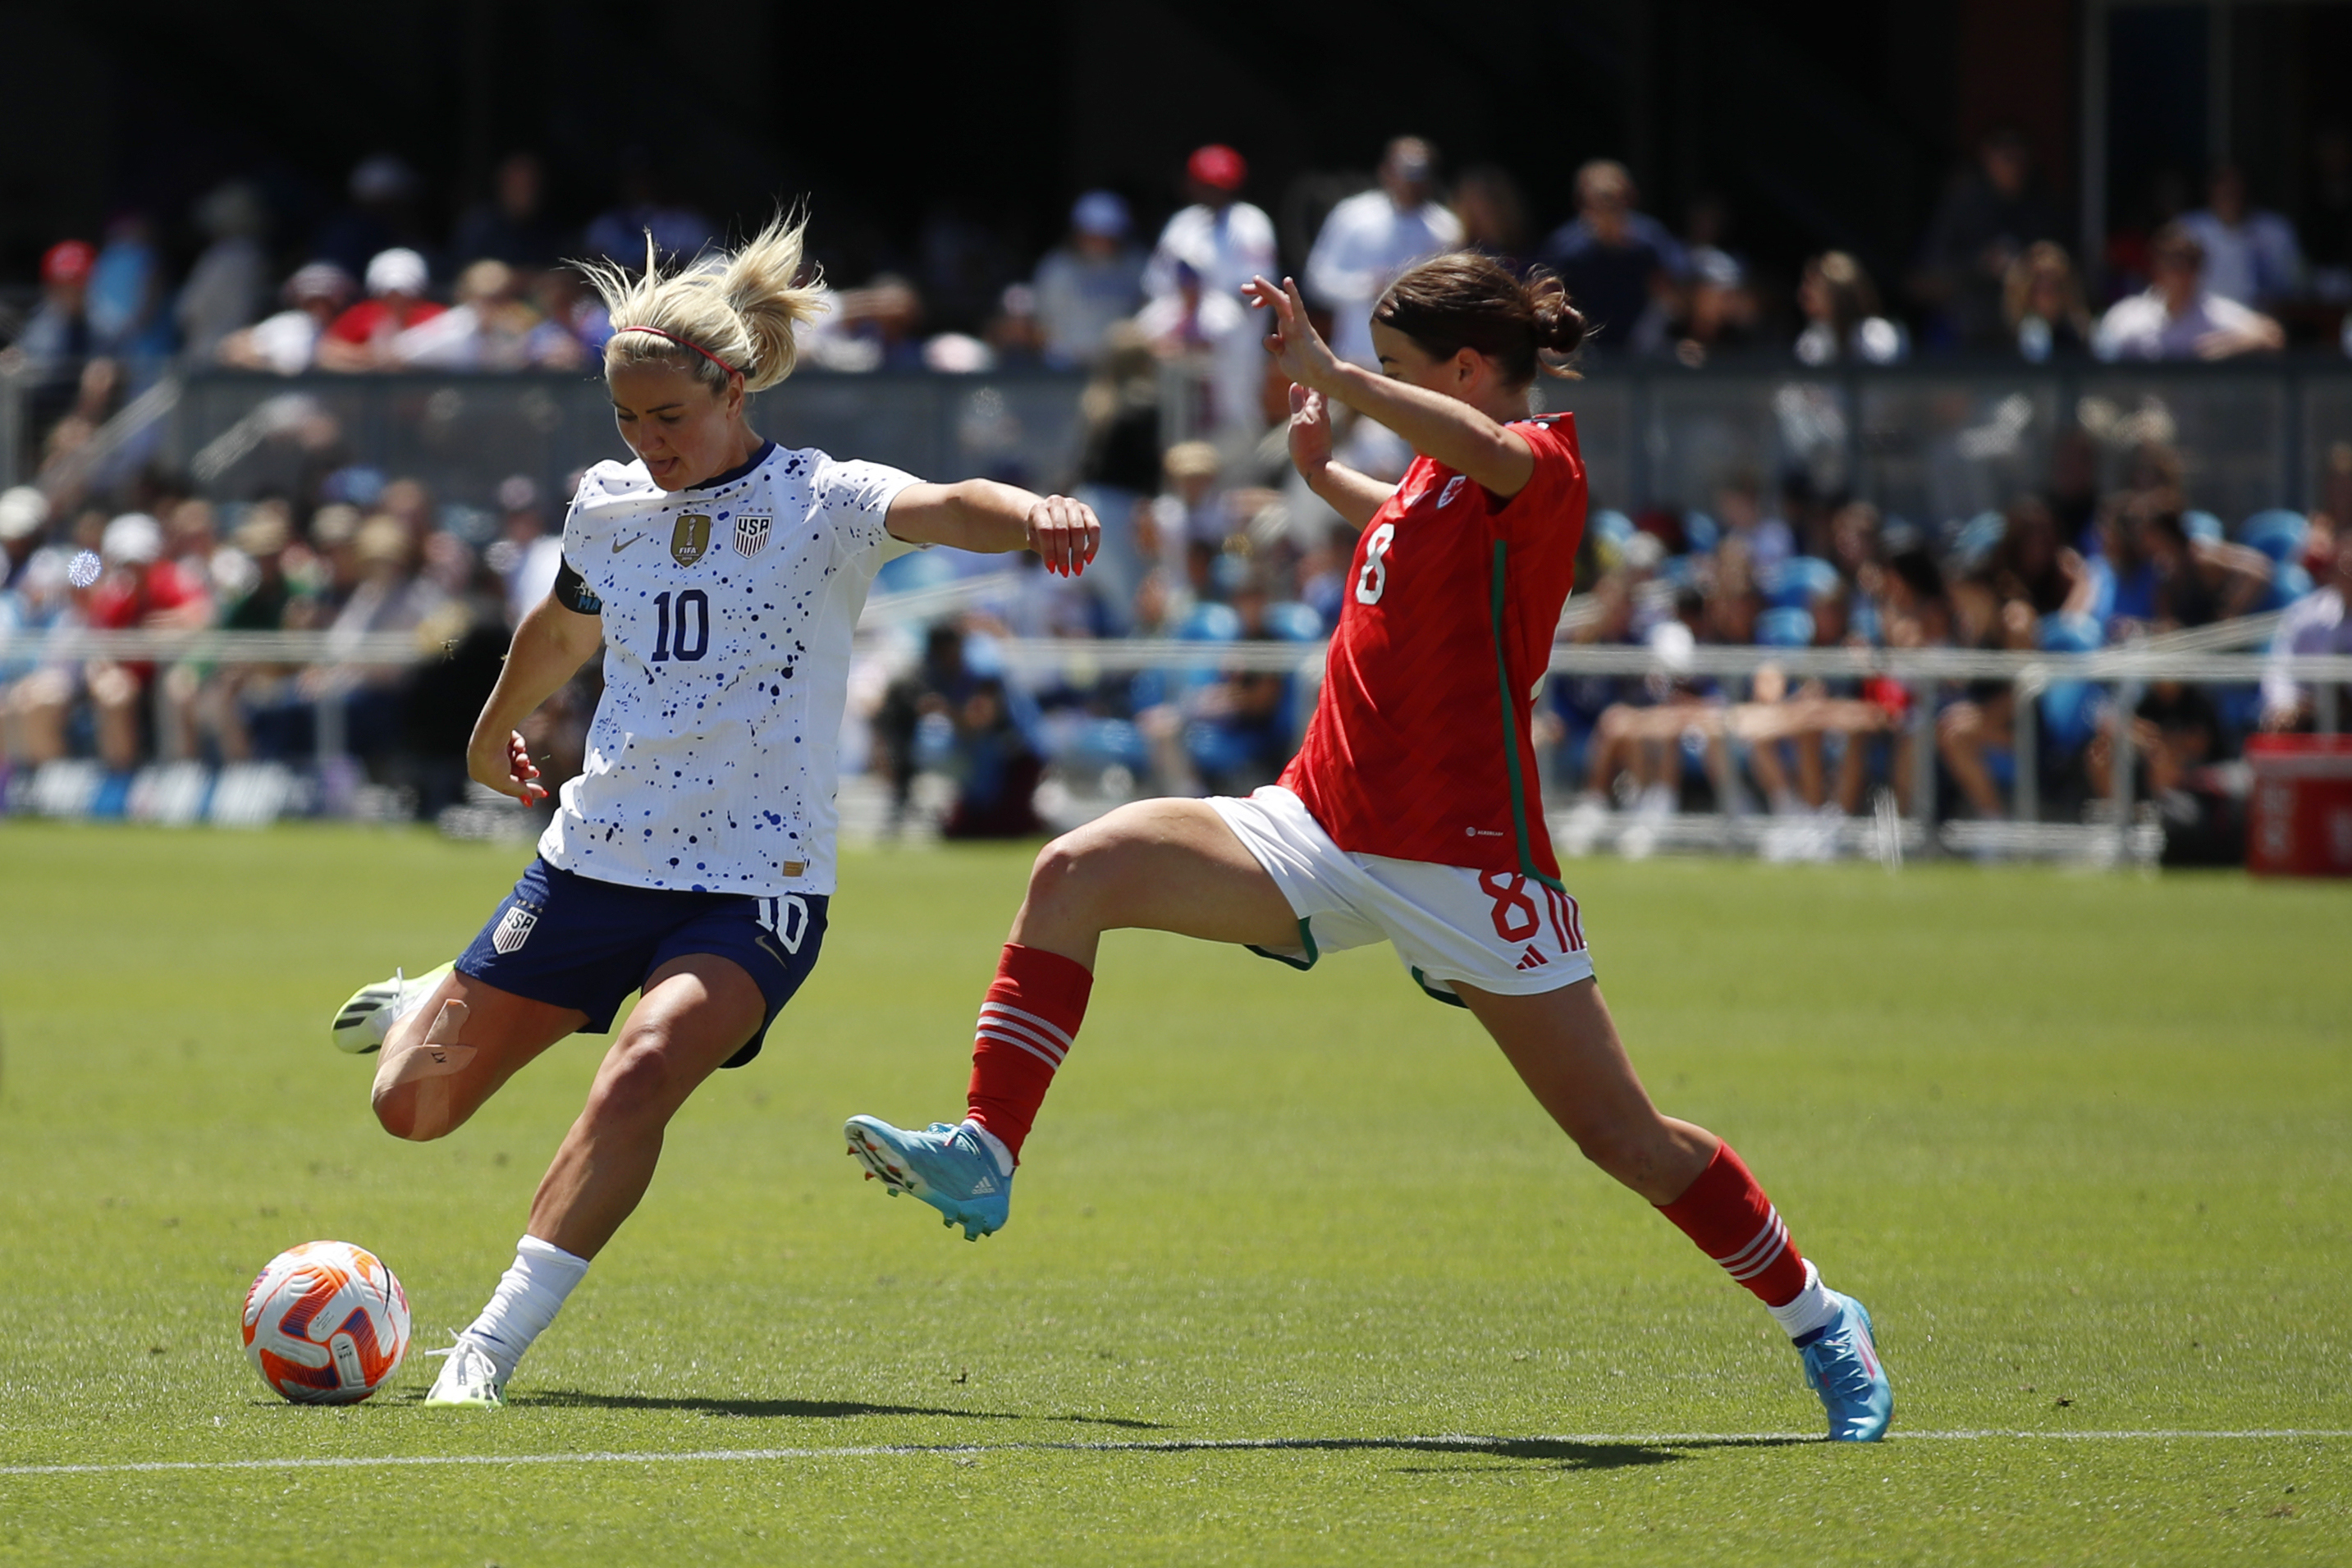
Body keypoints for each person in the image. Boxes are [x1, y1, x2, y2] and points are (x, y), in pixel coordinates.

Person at [842, 252, 1895, 1442]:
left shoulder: (1536, 461)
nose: (1377, 389)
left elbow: (1477, 459)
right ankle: (987, 1148)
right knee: (1073, 868)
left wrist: (1339, 376)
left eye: (1400, 370)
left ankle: (1819, 1316)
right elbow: (1403, 520)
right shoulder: (1435, 482)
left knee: (1625, 1138)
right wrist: (1321, 468)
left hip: (1466, 861)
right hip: (1317, 825)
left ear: (1458, 371)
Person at [319, 213, 1100, 1409]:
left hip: (753, 886)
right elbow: (567, 624)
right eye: (625, 419)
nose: (645, 440)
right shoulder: (607, 501)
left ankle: (484, 1348)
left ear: (732, 388)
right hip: (590, 864)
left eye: (667, 417)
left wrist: (1036, 509)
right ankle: (436, 991)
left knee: (641, 1068)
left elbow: (950, 503)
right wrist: (491, 728)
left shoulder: (822, 501)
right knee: (409, 1108)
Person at [1305, 137, 1464, 369]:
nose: (1411, 183)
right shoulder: (1353, 216)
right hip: (1356, 359)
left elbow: (1455, 296)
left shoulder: (1446, 229)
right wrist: (1367, 286)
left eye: (1419, 174)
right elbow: (1316, 281)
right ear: (1386, 171)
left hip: (1418, 362)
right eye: (1405, 172)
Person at [1535, 159, 1682, 354]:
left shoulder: (1651, 240)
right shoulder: (1565, 247)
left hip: (1642, 349)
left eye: (1613, 199)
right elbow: (1547, 299)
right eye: (1597, 200)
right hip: (1583, 349)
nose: (1605, 208)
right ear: (1582, 202)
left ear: (1628, 199)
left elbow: (1675, 298)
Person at [2094, 223, 2284, 361]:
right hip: (2142, 412)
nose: (2179, 273)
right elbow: (2100, 353)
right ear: (2156, 270)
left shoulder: (2214, 313)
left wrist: (2226, 347)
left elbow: (2272, 336)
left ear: (2198, 272)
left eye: (2188, 264)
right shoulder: (2130, 315)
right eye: (2170, 264)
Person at [1032, 191, 1147, 369]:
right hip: (1067, 365)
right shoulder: (1057, 268)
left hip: (1120, 365)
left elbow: (1147, 312)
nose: (1102, 241)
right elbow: (1043, 321)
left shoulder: (1137, 265)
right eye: (1094, 234)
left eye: (1109, 235)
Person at [2176, 164, 2304, 312]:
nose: (2230, 193)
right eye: (2223, 186)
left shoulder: (2276, 229)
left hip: (2263, 325)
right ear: (2209, 190)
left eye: (2236, 187)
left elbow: (2298, 286)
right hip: (2200, 327)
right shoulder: (2187, 229)